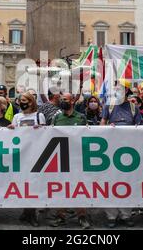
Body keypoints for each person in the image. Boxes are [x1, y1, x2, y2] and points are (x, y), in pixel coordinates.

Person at [101, 80, 142, 228]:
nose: (117, 90)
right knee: (110, 183)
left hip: (128, 153)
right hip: (110, 153)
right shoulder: (109, 106)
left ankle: (126, 215)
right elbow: (102, 125)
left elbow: (139, 128)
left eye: (120, 88)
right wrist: (107, 128)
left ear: (126, 90)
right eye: (115, 87)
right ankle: (111, 216)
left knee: (127, 183)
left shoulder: (133, 107)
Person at [49, 93, 91, 229]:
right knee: (60, 188)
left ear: (72, 101)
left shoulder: (81, 117)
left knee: (79, 188)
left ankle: (82, 216)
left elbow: (88, 136)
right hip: (61, 159)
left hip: (77, 159)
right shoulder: (56, 118)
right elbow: (49, 134)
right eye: (61, 99)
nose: (62, 101)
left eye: (65, 99)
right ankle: (61, 216)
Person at [9, 92, 45, 226]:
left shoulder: (38, 115)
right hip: (21, 154)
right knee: (23, 183)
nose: (21, 102)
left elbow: (45, 133)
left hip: (36, 153)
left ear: (31, 102)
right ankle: (26, 211)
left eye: (24, 100)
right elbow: (13, 132)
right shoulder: (17, 116)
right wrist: (11, 129)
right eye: (20, 100)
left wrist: (40, 128)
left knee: (34, 183)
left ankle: (32, 213)